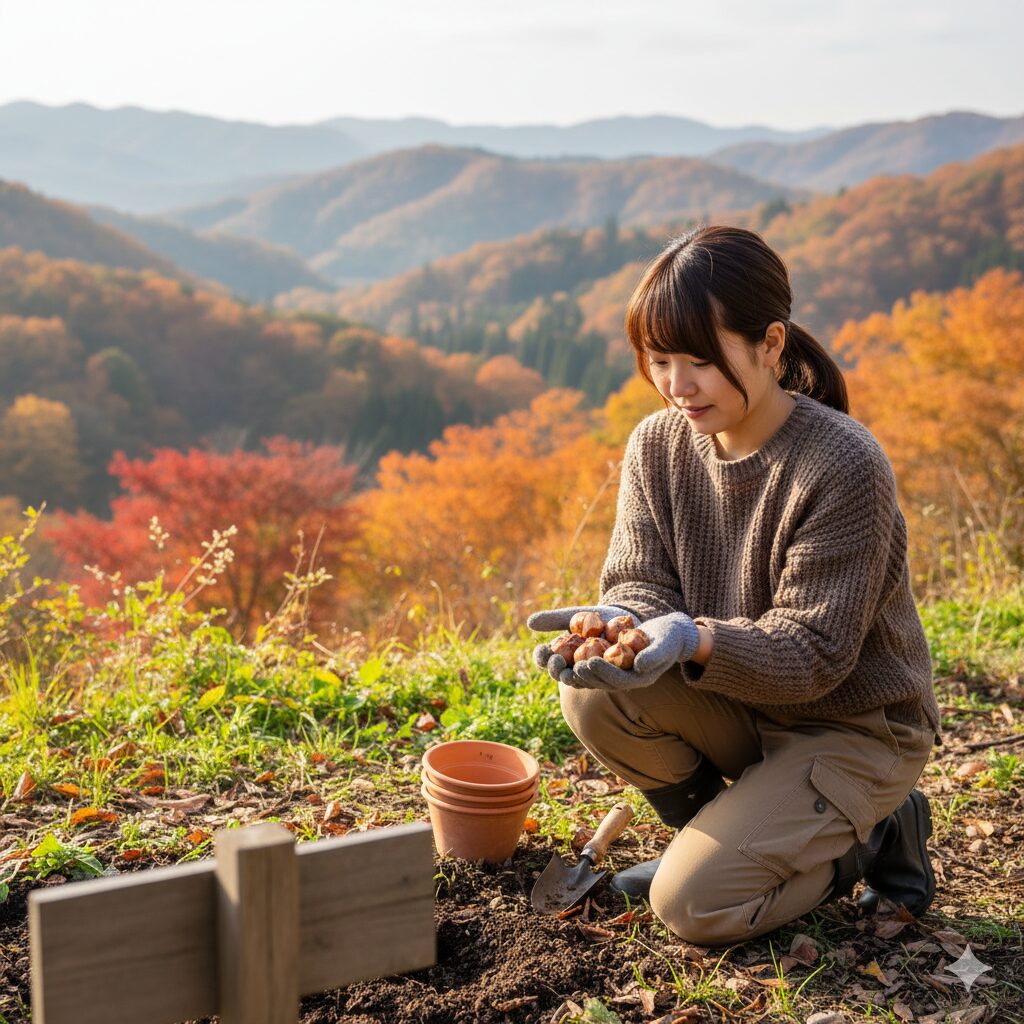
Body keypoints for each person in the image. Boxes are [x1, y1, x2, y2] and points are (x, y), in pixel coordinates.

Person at [528, 225, 942, 947]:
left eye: (701, 361)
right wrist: (624, 623)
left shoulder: (843, 464)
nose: (677, 385)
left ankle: (871, 836)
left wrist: (693, 637)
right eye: (660, 360)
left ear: (771, 345)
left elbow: (814, 652)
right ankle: (723, 846)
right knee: (595, 693)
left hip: (852, 726)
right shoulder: (657, 445)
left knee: (691, 907)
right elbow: (640, 581)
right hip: (745, 701)